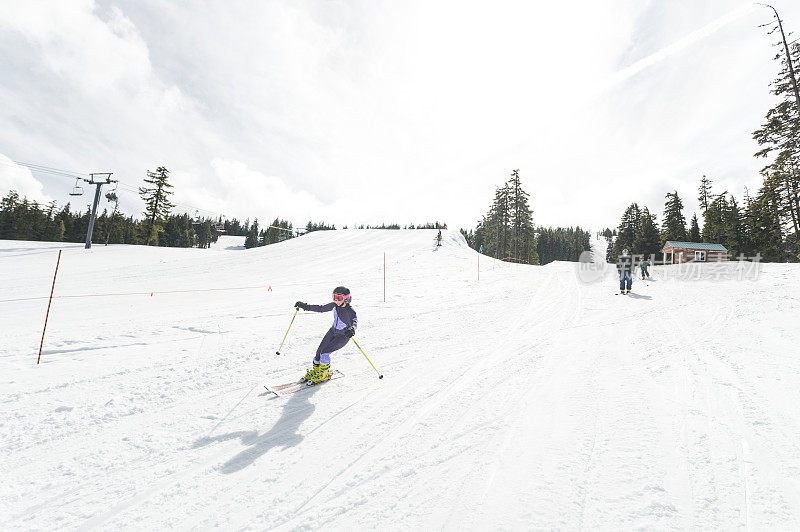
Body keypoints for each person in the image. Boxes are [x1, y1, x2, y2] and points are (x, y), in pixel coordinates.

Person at [294, 286, 357, 383]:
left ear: (346, 299)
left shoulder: (350, 310)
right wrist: (305, 306)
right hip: (332, 331)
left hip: (343, 336)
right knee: (319, 352)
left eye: (339, 298)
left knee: (325, 353)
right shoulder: (334, 305)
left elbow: (354, 322)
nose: (336, 300)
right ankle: (317, 371)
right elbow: (321, 308)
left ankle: (324, 374)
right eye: (334, 297)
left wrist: (352, 330)